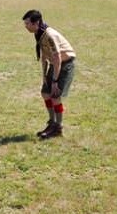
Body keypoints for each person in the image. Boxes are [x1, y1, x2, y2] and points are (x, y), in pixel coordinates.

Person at [22, 10, 76, 140]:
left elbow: (57, 58)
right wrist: (45, 77)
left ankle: (58, 127)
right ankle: (52, 123)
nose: (26, 26)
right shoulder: (39, 33)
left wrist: (55, 80)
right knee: (45, 93)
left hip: (65, 64)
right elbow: (45, 56)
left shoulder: (50, 35)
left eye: (27, 23)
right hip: (55, 64)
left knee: (55, 95)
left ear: (36, 23)